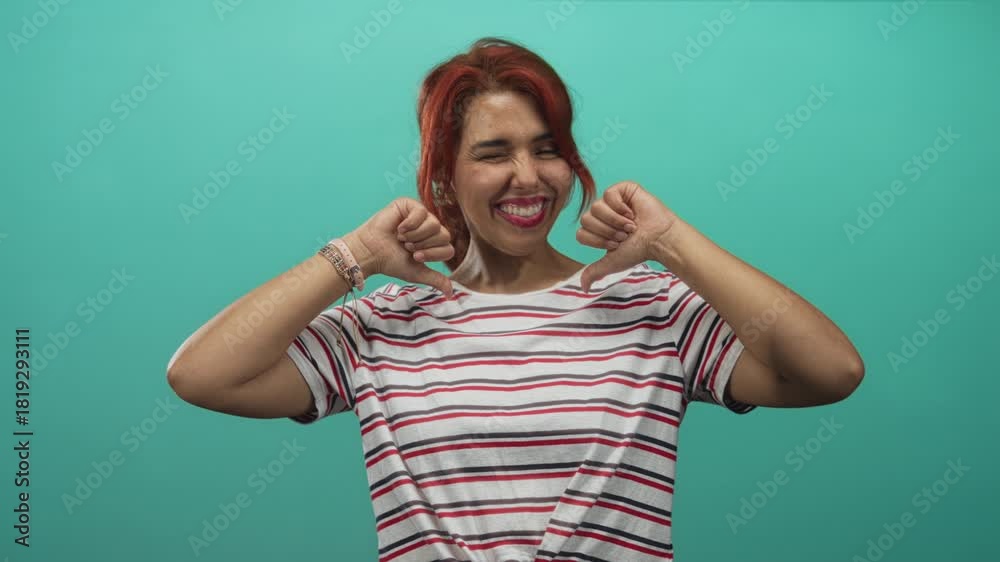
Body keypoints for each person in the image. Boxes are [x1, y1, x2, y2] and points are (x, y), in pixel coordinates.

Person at [167, 37, 864, 562]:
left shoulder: (655, 309)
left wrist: (671, 242)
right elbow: (201, 375)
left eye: (547, 148)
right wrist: (357, 255)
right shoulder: (377, 326)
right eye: (494, 152)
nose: (528, 177)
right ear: (445, 173)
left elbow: (831, 371)